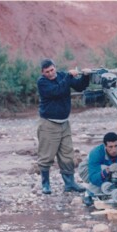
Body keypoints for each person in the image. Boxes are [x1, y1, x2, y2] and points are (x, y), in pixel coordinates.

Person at [37, 59, 91, 194]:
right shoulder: (42, 82)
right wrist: (69, 76)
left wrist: (85, 76)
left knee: (67, 155)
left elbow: (79, 87)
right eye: (47, 72)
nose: (50, 73)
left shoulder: (62, 76)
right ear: (43, 73)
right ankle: (46, 185)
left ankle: (70, 183)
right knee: (46, 156)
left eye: (52, 70)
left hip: (64, 123)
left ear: (55, 67)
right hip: (49, 123)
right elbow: (57, 91)